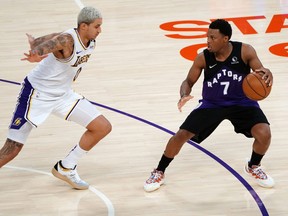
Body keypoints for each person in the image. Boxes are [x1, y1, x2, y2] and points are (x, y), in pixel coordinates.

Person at [144, 19, 275, 192]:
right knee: (181, 135)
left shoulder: (245, 51)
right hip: (212, 104)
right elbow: (188, 81)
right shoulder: (203, 57)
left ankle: (253, 166)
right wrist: (184, 94)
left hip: (242, 103)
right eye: (207, 36)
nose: (208, 41)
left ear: (225, 38)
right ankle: (159, 170)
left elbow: (260, 71)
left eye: (212, 37)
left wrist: (267, 73)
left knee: (264, 133)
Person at [0, 6, 112, 190]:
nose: (100, 30)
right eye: (97, 26)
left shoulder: (87, 39)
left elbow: (54, 34)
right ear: (84, 26)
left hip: (62, 94)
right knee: (12, 149)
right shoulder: (67, 40)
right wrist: (38, 52)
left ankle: (66, 167)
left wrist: (36, 40)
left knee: (102, 127)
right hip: (36, 94)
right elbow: (53, 43)